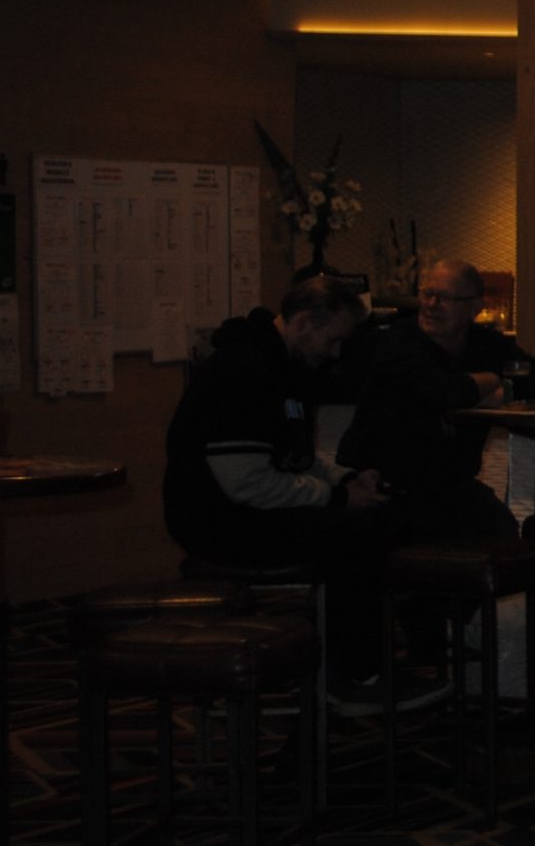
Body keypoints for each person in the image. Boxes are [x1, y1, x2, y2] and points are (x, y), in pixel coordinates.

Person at [163, 275, 398, 693]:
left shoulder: (283, 367)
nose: (336, 353)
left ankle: (355, 664)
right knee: (355, 536)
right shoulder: (242, 371)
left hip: (243, 510)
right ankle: (355, 673)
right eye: (334, 340)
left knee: (377, 520)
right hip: (218, 520)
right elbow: (247, 484)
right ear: (304, 322)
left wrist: (346, 479)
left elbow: (296, 459)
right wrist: (336, 496)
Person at [337, 258, 535, 542]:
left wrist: (496, 393)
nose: (431, 305)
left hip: (448, 486)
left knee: (501, 528)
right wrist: (489, 380)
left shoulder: (486, 343)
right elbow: (442, 392)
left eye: (444, 298)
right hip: (380, 483)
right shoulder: (398, 341)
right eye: (427, 294)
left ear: (475, 307)